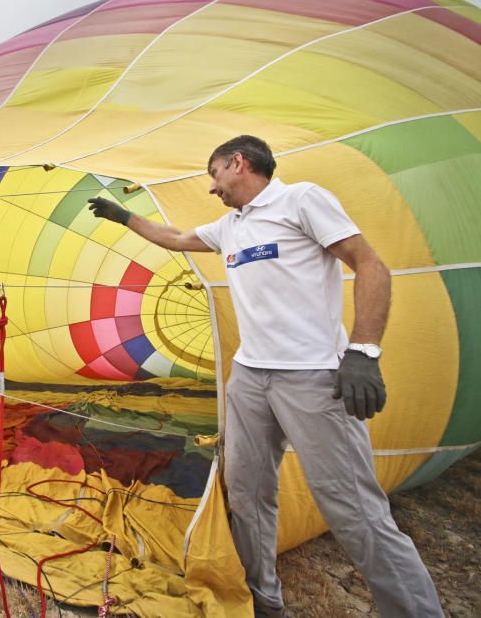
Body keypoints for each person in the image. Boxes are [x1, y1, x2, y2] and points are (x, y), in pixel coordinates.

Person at [88, 136, 441, 618]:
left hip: (313, 377)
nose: (212, 188)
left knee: (352, 508)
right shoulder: (230, 227)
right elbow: (175, 237)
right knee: (248, 495)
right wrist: (123, 216)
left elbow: (370, 264)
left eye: (214, 174)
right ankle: (263, 602)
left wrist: (363, 351)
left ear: (239, 162)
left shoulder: (301, 200)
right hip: (251, 378)